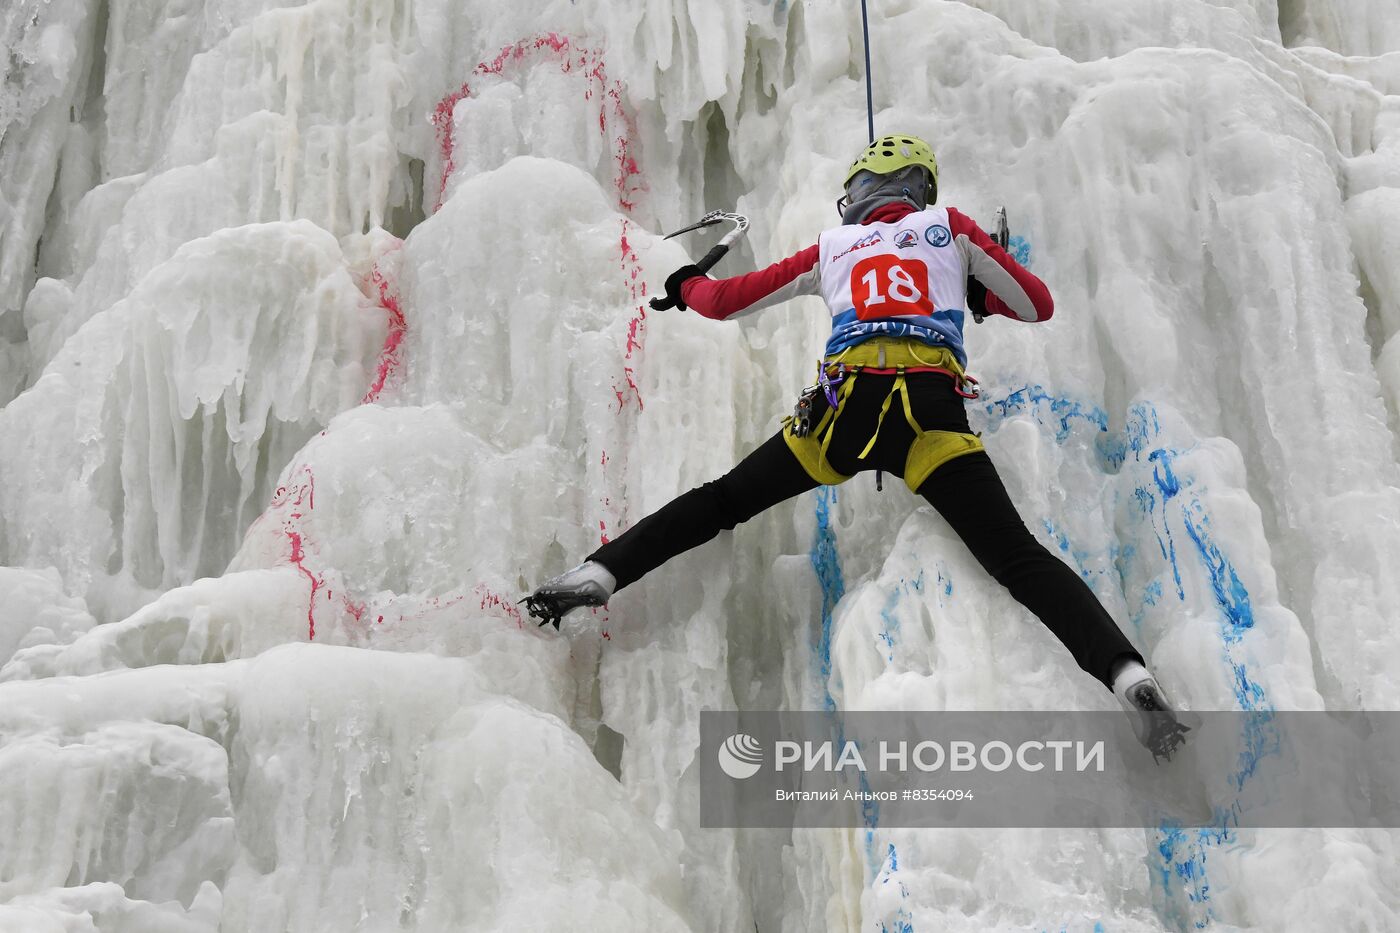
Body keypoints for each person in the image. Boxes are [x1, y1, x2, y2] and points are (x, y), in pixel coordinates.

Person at [524, 135, 1188, 758]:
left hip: (843, 410)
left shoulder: (834, 247)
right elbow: (1036, 303)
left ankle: (597, 572)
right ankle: (1129, 675)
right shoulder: (949, 228)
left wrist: (685, 283)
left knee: (722, 500)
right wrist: (975, 288)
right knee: (1019, 560)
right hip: (931, 414)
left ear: (860, 191)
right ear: (919, 186)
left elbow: (723, 302)